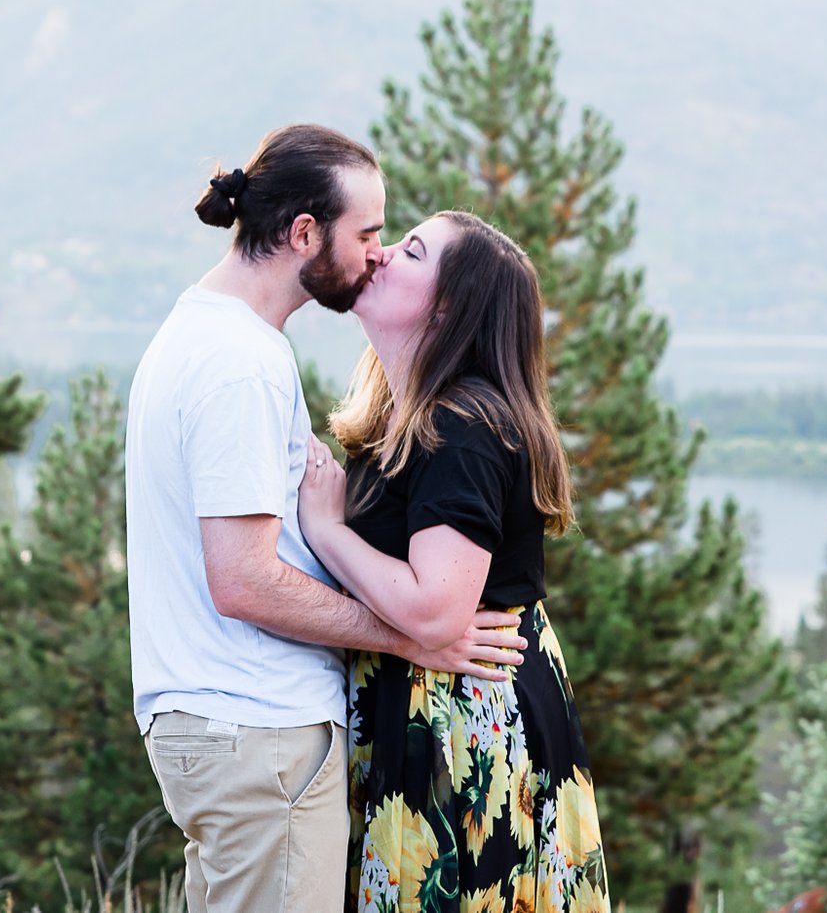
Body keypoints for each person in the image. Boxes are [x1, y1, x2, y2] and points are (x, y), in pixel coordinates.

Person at [125, 124, 528, 913]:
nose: (377, 253)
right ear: (304, 232)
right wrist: (406, 636)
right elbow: (243, 581)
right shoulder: (241, 363)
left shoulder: (208, 335)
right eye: (370, 234)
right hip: (258, 734)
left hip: (232, 734)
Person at [296, 209, 609, 913]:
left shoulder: (461, 425)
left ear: (446, 309)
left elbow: (436, 610)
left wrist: (327, 529)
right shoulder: (399, 421)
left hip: (464, 725)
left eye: (410, 251)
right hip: (432, 710)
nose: (378, 257)